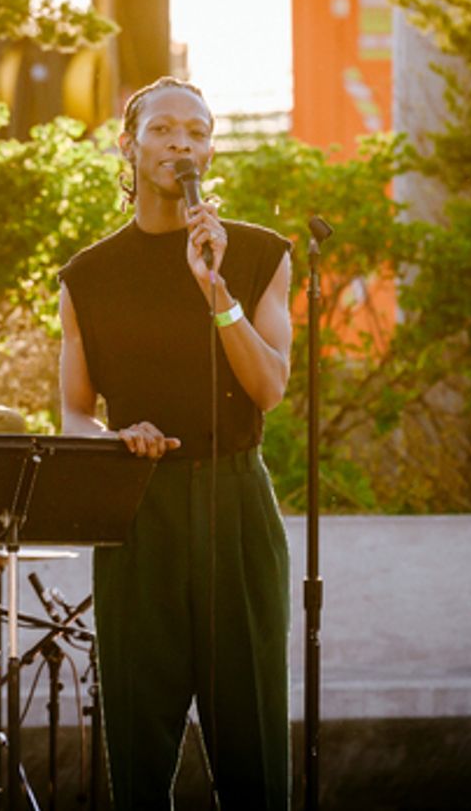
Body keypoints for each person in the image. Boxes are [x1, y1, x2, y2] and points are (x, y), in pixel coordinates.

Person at [57, 76, 293, 809]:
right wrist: (114, 437)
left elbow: (271, 389)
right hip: (136, 512)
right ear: (129, 147)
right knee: (137, 739)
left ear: (211, 150)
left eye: (196, 130)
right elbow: (72, 412)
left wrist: (216, 293)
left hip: (235, 503)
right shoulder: (87, 275)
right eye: (163, 130)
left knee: (252, 738)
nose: (181, 143)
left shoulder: (257, 255)